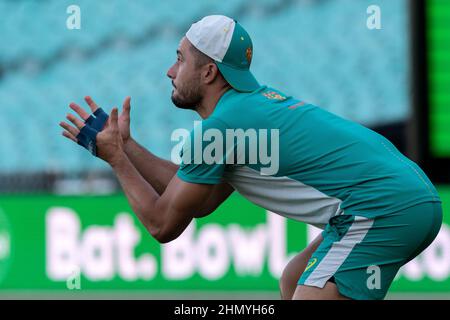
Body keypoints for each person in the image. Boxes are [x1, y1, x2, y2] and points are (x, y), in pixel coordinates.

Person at [60, 15, 443, 300]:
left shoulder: (222, 127)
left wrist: (115, 159)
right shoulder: (245, 112)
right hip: (402, 200)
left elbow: (163, 225)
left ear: (209, 72)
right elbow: (200, 199)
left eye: (180, 59)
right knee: (294, 280)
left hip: (383, 206)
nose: (170, 70)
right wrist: (126, 146)